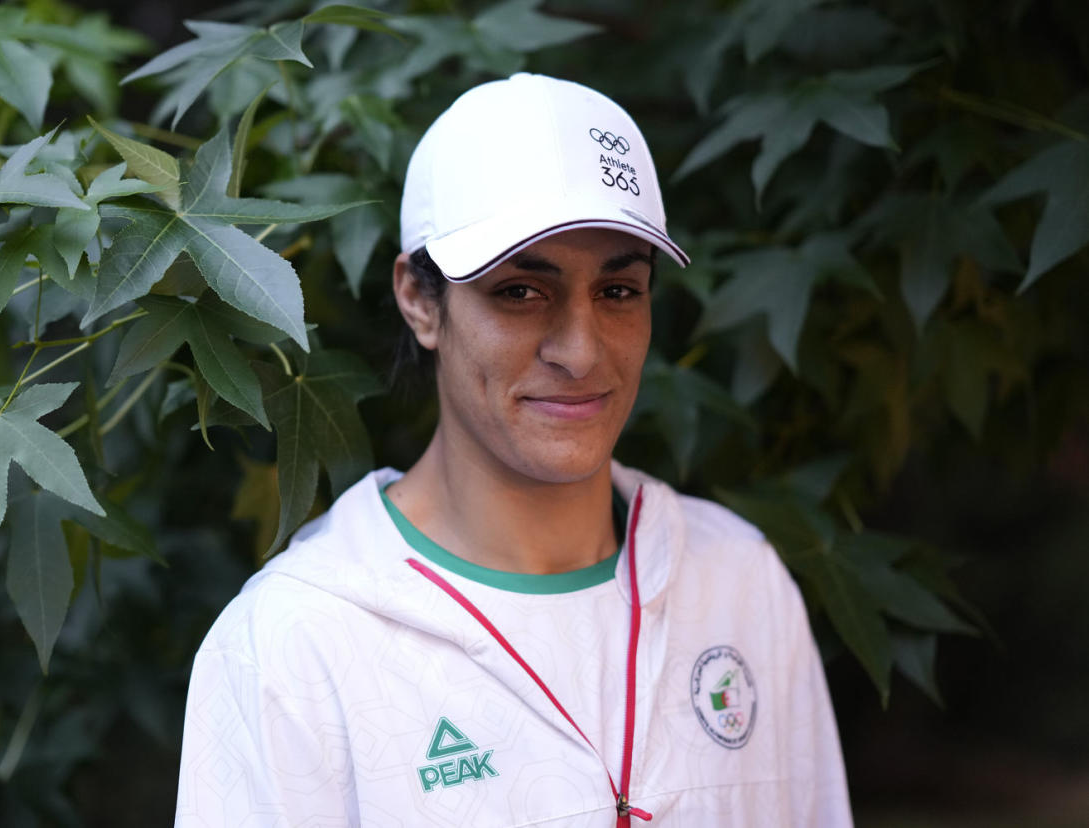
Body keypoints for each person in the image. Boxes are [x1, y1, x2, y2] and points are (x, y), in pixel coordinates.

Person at [175, 73, 852, 827]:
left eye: (619, 291)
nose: (580, 351)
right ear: (420, 301)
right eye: (520, 292)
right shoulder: (294, 646)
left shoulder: (739, 582)